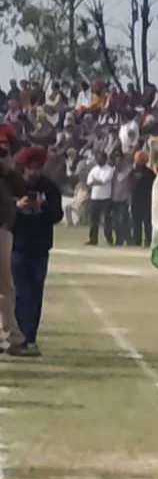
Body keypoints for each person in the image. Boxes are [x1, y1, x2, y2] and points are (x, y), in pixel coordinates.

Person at [9, 146, 62, 356]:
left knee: (35, 293)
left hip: (40, 247)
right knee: (20, 293)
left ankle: (30, 337)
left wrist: (43, 206)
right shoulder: (13, 186)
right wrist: (18, 207)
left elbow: (57, 215)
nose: (33, 172)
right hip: (18, 245)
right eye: (30, 168)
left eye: (37, 167)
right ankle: (17, 336)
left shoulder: (50, 188)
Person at [0, 127, 27, 352]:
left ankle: (9, 333)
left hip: (2, 228)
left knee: (5, 285)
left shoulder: (7, 172)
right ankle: (11, 334)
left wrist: (8, 169)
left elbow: (21, 190)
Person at [85, 150, 115, 245]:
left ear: (105, 159)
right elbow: (89, 182)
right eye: (97, 158)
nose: (99, 160)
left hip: (106, 198)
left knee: (107, 220)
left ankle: (109, 239)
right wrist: (97, 182)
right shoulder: (94, 169)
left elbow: (104, 181)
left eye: (101, 158)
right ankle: (93, 239)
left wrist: (95, 181)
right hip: (95, 198)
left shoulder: (109, 169)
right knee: (94, 220)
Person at [130, 151, 155, 247]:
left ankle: (148, 240)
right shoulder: (132, 172)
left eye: (141, 159)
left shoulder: (149, 173)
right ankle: (137, 240)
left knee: (147, 223)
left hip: (146, 201)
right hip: (135, 201)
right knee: (136, 223)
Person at [109, 150, 133, 246]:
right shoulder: (112, 173)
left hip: (124, 200)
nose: (118, 163)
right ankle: (123, 238)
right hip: (114, 200)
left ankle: (121, 240)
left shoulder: (127, 172)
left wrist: (130, 201)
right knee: (115, 222)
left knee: (123, 221)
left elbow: (130, 187)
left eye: (119, 161)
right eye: (116, 161)